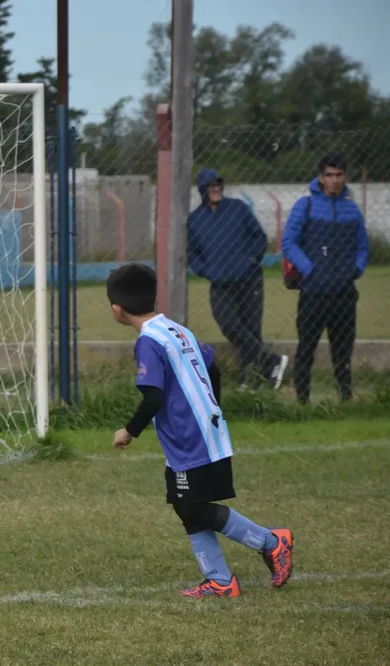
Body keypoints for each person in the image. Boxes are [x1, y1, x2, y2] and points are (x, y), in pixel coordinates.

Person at [106, 263, 293, 598]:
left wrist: (129, 431)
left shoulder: (149, 342)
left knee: (192, 506)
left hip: (191, 438)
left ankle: (272, 541)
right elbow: (214, 368)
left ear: (117, 309)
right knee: (185, 503)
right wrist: (211, 409)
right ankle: (219, 580)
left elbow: (153, 397)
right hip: (200, 432)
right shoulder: (176, 330)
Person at [187, 168, 287, 390]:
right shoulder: (194, 220)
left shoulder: (238, 208)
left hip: (249, 279)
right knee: (229, 325)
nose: (216, 189)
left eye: (219, 184)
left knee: (251, 331)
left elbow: (259, 237)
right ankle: (272, 361)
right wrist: (206, 270)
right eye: (211, 185)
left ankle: (248, 381)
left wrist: (249, 261)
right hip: (220, 283)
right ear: (203, 189)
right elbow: (192, 253)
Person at [281, 155, 369, 404]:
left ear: (346, 177)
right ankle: (302, 401)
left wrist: (356, 269)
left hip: (344, 292)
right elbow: (289, 242)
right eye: (329, 175)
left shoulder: (352, 210)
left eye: (339, 175)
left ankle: (346, 400)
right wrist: (310, 270)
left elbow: (363, 246)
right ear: (321, 178)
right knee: (306, 348)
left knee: (343, 352)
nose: (334, 180)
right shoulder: (305, 206)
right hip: (313, 293)